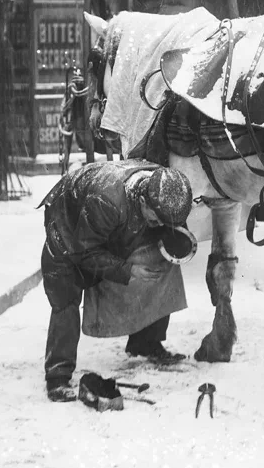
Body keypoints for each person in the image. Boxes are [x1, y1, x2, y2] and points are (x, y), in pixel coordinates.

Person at [39, 160, 192, 402]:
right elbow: (85, 251)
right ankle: (57, 376)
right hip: (67, 225)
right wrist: (128, 270)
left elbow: (170, 226)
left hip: (110, 221)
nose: (161, 225)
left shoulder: (167, 193)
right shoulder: (107, 201)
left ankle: (145, 342)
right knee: (64, 294)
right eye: (157, 219)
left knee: (162, 261)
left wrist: (175, 244)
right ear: (143, 201)